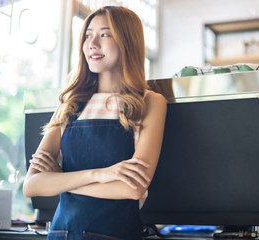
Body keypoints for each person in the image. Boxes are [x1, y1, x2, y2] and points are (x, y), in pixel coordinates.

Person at [23, 6, 167, 240]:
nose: (92, 43)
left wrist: (60, 180)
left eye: (105, 34)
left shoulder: (149, 102)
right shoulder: (69, 105)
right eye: (88, 35)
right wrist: (100, 174)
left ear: (127, 41)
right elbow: (31, 186)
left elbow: (132, 189)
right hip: (61, 234)